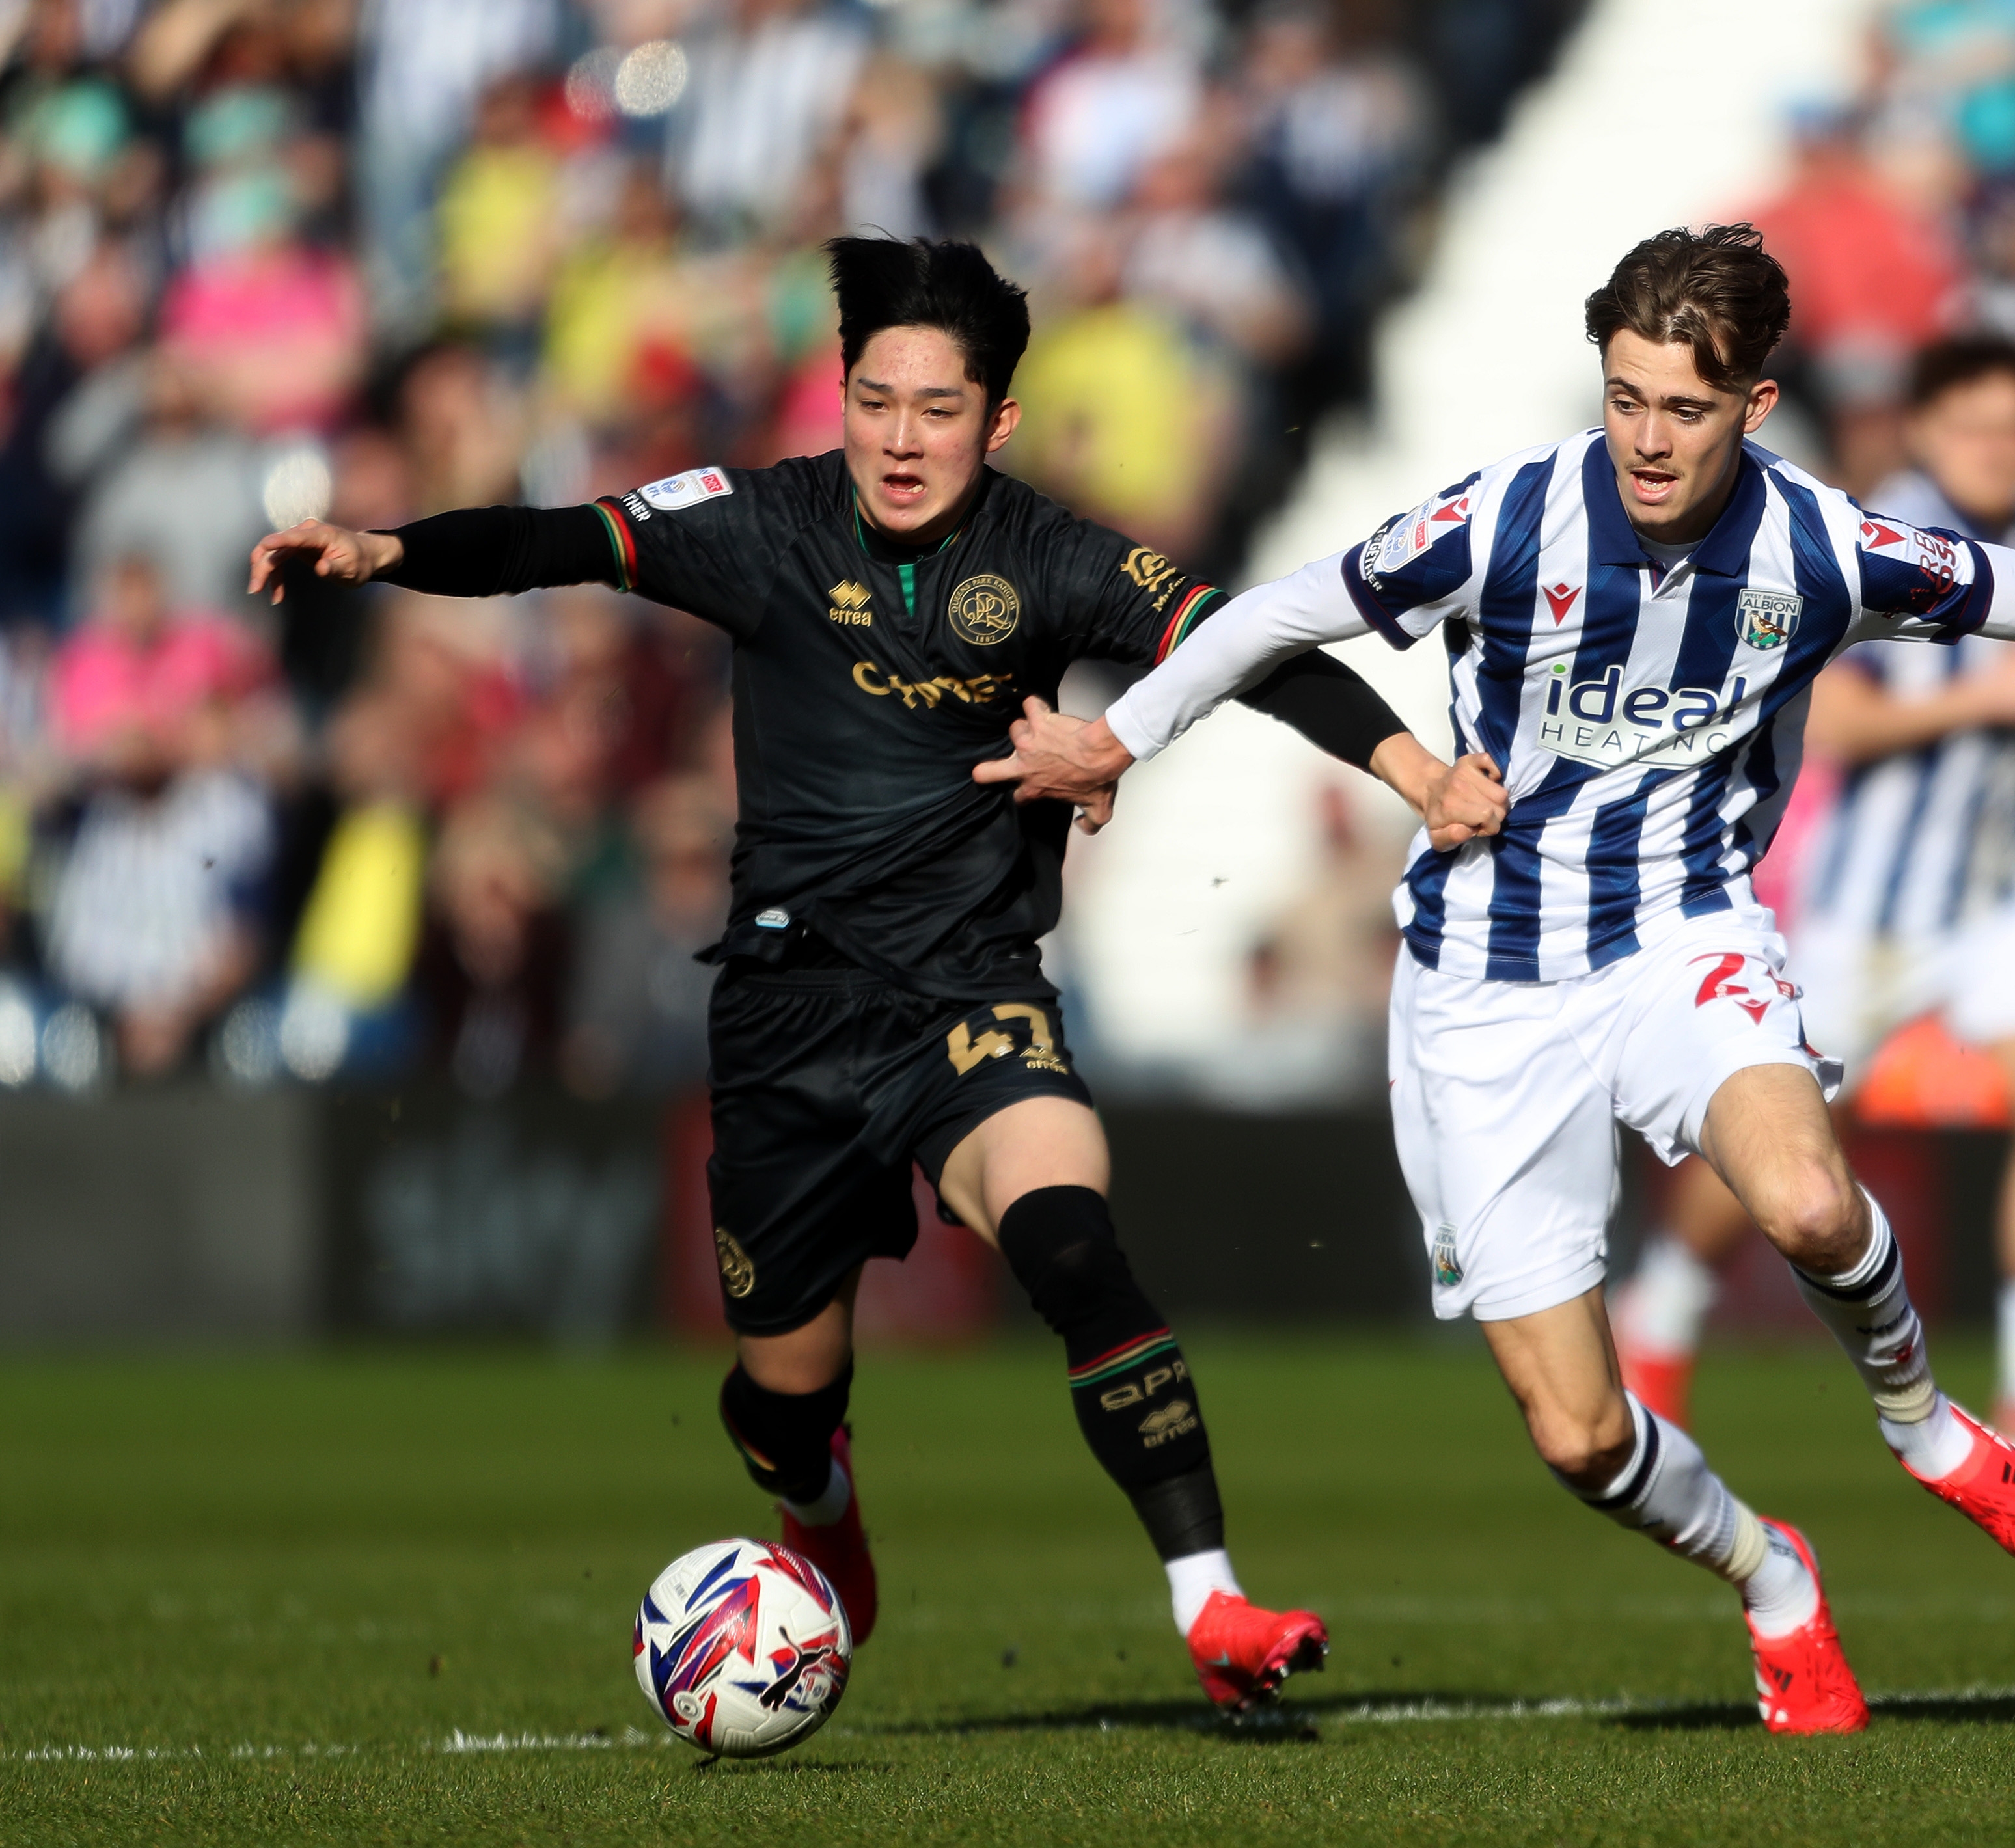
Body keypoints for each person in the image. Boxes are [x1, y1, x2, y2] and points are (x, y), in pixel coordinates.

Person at [980, 225, 2015, 1734]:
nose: (1646, 439)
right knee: (1576, 1433)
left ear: (1752, 405)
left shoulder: (1820, 545)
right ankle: (1774, 1579)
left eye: (1683, 408)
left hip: (1685, 937)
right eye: (1624, 398)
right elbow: (1286, 608)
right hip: (1482, 987)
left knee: (1809, 1202)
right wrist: (1124, 734)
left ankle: (1932, 1431)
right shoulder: (1506, 517)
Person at [249, 235, 1506, 1713]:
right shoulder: (761, 521)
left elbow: (1252, 648)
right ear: (840, 395)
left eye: (936, 409)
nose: (899, 440)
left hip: (967, 994)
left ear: (999, 422)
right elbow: (559, 542)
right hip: (785, 1017)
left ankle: (1210, 1600)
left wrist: (1417, 769)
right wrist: (386, 550)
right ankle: (819, 1508)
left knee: (1070, 1242)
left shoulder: (1054, 556)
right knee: (782, 1405)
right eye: (873, 400)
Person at [1606, 332, 2015, 1481]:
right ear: (1924, 432)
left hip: (1999, 887)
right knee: (1784, 1145)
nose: (2001, 452)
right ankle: (1655, 1321)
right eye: (1977, 430)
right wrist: (1980, 705)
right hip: (1873, 908)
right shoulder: (1869, 544)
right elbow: (1837, 723)